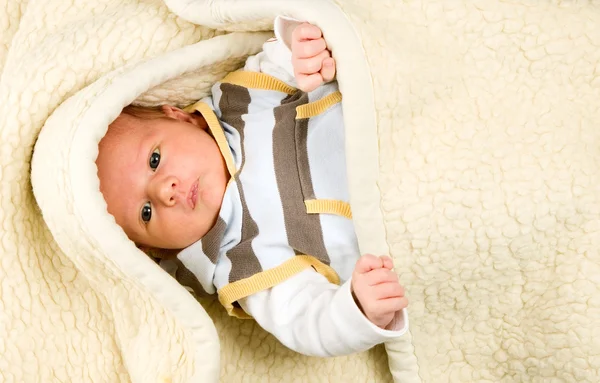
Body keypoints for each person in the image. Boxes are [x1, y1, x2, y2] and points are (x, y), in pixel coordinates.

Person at [96, 16, 409, 357]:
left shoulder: (241, 104)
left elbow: (282, 56)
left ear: (179, 117)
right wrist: (358, 310)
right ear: (154, 251)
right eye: (146, 212)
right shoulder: (243, 263)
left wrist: (303, 52)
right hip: (407, 216)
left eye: (155, 160)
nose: (164, 191)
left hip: (398, 112)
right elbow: (307, 321)